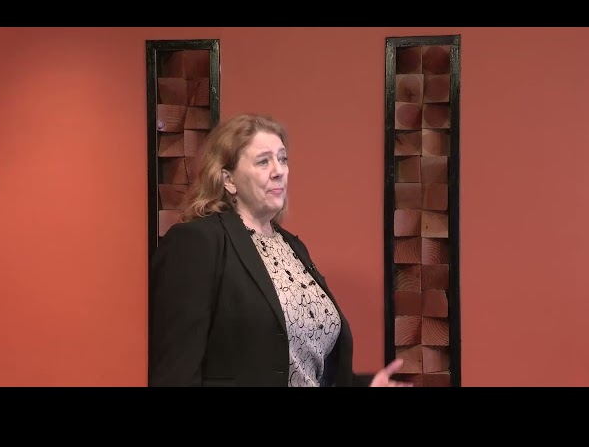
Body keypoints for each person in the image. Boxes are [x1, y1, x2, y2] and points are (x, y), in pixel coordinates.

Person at [148, 113, 412, 387]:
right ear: (228, 180)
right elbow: (174, 373)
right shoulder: (196, 242)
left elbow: (305, 370)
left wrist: (366, 385)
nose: (279, 171)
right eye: (264, 161)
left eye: (282, 159)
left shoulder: (292, 247)